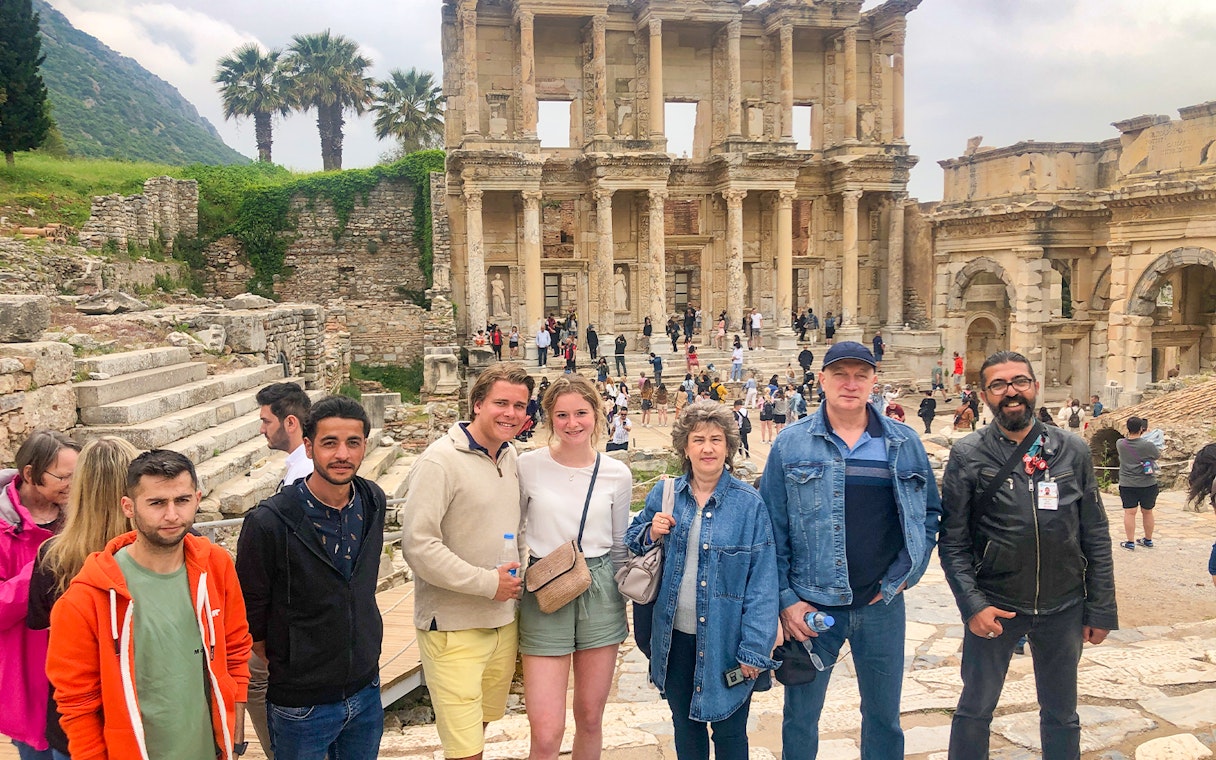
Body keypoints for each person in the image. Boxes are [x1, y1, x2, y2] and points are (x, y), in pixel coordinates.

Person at [759, 341, 941, 760]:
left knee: (884, 717)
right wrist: (787, 601)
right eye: (840, 374)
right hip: (813, 606)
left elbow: (929, 514)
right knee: (801, 716)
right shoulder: (791, 444)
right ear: (821, 380)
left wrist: (903, 576)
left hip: (881, 605)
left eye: (861, 375)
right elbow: (772, 529)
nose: (850, 383)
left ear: (874, 382)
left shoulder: (903, 442)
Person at [939, 350, 1117, 760]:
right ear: (984, 395)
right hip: (996, 606)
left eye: (1019, 381)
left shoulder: (1072, 449)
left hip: (1064, 604)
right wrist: (973, 606)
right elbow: (952, 541)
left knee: (1062, 712)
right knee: (975, 709)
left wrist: (1101, 608)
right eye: (999, 385)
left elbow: (1095, 532)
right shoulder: (968, 454)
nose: (1011, 392)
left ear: (1035, 387)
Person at [47, 450, 252, 760]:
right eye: (157, 503)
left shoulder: (217, 566)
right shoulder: (83, 600)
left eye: (182, 501)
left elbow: (236, 652)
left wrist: (233, 739)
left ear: (197, 499)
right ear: (128, 507)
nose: (172, 515)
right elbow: (78, 706)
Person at [625, 401, 779, 760]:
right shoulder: (664, 495)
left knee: (730, 733)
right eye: (698, 440)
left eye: (715, 439)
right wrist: (651, 531)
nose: (707, 448)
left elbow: (762, 582)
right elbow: (633, 540)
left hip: (728, 642)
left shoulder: (749, 505)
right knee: (685, 729)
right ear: (685, 447)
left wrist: (755, 649)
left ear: (728, 446)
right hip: (675, 639)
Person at [236, 396, 387, 759]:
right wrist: (295, 665)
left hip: (366, 689)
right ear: (308, 446)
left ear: (365, 445)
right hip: (301, 705)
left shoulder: (372, 500)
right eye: (329, 442)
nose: (342, 454)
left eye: (353, 443)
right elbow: (250, 615)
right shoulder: (268, 522)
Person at [400, 363, 532, 760]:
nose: (510, 413)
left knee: (483, 725)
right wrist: (486, 583)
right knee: (464, 748)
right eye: (501, 403)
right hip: (452, 627)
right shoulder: (439, 462)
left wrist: (516, 578)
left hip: (501, 621)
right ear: (477, 404)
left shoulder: (510, 457)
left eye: (519, 406)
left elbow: (518, 526)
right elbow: (418, 545)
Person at [517, 375, 631, 760]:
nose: (572, 423)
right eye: (562, 414)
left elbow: (618, 545)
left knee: (590, 716)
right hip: (545, 583)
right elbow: (514, 529)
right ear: (549, 417)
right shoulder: (527, 466)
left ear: (596, 414)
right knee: (547, 731)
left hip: (599, 584)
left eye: (581, 413)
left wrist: (627, 595)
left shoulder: (617, 473)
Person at [27, 437, 139, 760]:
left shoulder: (51, 556)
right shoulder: (162, 553)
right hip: (142, 711)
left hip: (76, 721)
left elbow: (41, 626)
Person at [1, 430, 81, 759]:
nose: (72, 485)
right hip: (27, 673)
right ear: (30, 474)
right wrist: (44, 566)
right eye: (63, 477)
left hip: (76, 666)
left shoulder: (76, 513)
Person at [258, 381, 314, 492]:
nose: (262, 430)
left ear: (290, 423)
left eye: (267, 422)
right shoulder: (303, 463)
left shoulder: (304, 474)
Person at [1117, 416, 1160, 550]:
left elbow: (1126, 439)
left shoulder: (1120, 443)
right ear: (1142, 428)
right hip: (1147, 483)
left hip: (1127, 483)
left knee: (1129, 513)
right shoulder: (1147, 445)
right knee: (1147, 512)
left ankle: (1130, 542)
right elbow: (1156, 455)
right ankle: (1148, 539)